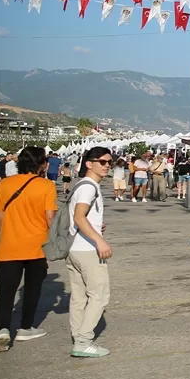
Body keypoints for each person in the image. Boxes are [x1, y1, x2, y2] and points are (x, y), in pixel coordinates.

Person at [0, 147, 56, 352]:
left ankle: (3, 328)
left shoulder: (4, 184)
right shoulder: (46, 185)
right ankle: (25, 328)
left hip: (10, 245)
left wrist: (7, 234)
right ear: (41, 164)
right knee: (32, 287)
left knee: (6, 290)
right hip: (37, 245)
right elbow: (49, 217)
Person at [68, 147, 113, 358]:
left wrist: (95, 227)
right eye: (102, 162)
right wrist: (99, 240)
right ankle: (84, 341)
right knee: (99, 295)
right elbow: (79, 217)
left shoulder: (81, 185)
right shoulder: (88, 187)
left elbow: (81, 217)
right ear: (89, 163)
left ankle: (78, 336)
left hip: (75, 248)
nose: (107, 165)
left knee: (79, 297)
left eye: (109, 162)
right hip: (87, 250)